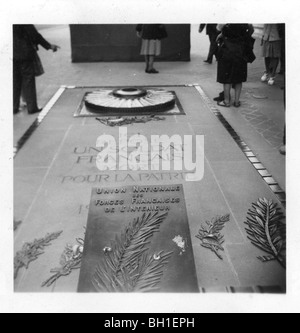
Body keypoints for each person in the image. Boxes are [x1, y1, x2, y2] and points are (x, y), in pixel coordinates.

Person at [13, 25, 60, 115]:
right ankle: (32, 107)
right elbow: (34, 35)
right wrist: (49, 46)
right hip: (24, 52)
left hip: (10, 53)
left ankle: (13, 107)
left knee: (15, 80)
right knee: (28, 79)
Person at [216, 24, 254, 108]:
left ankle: (226, 101)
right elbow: (251, 29)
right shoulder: (244, 20)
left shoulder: (226, 21)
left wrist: (223, 33)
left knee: (227, 78)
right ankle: (236, 102)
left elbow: (219, 28)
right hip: (240, 52)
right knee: (238, 78)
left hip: (227, 51)